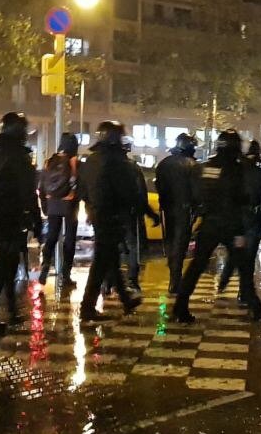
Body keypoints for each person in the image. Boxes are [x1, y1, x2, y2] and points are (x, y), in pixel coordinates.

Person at [173, 129, 249, 324]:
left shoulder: (205, 167)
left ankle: (180, 305)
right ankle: (255, 306)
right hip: (230, 224)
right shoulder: (236, 169)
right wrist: (240, 231)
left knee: (197, 265)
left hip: (209, 223)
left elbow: (196, 194)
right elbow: (239, 199)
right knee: (243, 265)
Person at [0, 112, 41, 341]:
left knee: (8, 262)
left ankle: (9, 310)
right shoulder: (19, 157)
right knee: (3, 265)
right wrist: (36, 219)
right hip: (11, 217)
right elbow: (27, 192)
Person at [77, 120, 143, 325]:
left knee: (110, 258)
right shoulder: (117, 162)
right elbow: (128, 191)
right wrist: (139, 210)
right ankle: (87, 307)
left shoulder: (91, 160)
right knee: (101, 262)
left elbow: (82, 189)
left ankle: (125, 299)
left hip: (98, 216)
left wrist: (91, 208)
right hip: (112, 216)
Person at [218, 138, 261, 318]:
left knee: (236, 252)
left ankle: (226, 280)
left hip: (234, 220)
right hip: (252, 220)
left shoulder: (235, 172)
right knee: (248, 259)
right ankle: (246, 295)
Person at [156, 132, 198, 295]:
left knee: (171, 242)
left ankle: (174, 278)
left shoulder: (164, 164)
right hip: (185, 210)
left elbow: (160, 186)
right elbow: (196, 191)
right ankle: (176, 280)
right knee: (180, 244)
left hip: (168, 208)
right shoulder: (193, 165)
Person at [38, 132, 80, 290]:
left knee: (51, 237)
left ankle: (45, 264)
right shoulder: (75, 162)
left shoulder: (49, 162)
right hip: (70, 205)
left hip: (52, 204)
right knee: (69, 240)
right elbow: (80, 186)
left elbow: (41, 186)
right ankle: (65, 275)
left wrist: (45, 206)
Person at [121, 143, 159, 293]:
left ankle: (107, 282)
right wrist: (148, 213)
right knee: (132, 247)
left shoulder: (103, 164)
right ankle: (132, 280)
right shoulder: (133, 168)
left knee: (110, 248)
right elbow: (140, 194)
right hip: (129, 214)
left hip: (108, 214)